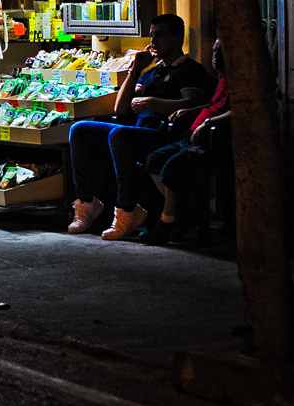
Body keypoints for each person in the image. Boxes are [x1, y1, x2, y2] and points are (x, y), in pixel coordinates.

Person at [67, 14, 214, 240]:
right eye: (151, 36)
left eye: (160, 35)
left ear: (177, 38)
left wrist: (153, 103)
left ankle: (127, 208)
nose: (154, 42)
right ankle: (87, 202)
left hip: (163, 134)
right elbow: (121, 109)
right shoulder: (150, 73)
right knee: (80, 129)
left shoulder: (189, 70)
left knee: (119, 134)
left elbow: (192, 105)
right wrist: (135, 69)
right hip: (135, 130)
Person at [139, 38, 231, 246]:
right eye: (215, 51)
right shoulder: (221, 81)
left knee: (172, 167)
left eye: (221, 52)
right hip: (189, 136)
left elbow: (237, 112)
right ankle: (185, 213)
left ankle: (167, 221)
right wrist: (188, 112)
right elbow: (211, 105)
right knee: (154, 160)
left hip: (211, 142)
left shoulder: (240, 83)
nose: (216, 56)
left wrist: (207, 124)